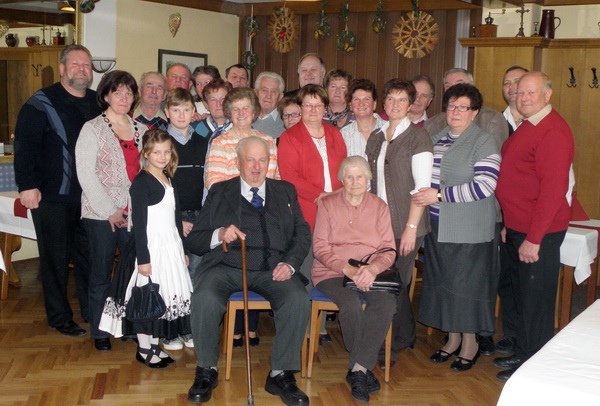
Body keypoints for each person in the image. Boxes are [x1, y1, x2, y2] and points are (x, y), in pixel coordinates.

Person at [185, 137, 311, 405]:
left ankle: (281, 373)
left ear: (269, 162)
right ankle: (207, 369)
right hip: (226, 266)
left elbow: (302, 233)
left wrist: (289, 264)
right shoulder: (220, 192)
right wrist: (219, 233)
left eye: (262, 160)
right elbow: (194, 240)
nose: (256, 166)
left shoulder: (285, 191)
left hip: (272, 268)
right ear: (238, 162)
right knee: (204, 297)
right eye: (250, 160)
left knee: (297, 299)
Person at [14, 44, 101, 337]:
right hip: (52, 197)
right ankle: (60, 317)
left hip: (90, 198)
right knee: (55, 260)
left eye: (86, 65)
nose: (81, 69)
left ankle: (93, 311)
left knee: (89, 257)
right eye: (75, 64)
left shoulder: (98, 102)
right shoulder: (40, 103)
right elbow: (24, 147)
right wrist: (27, 186)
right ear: (62, 68)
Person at [413, 84, 501, 372]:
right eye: (451, 106)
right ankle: (451, 340)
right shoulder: (436, 138)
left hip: (470, 229)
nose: (455, 112)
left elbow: (485, 186)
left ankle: (470, 345)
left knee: (466, 289)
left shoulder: (483, 141)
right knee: (444, 286)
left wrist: (439, 195)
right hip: (438, 225)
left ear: (474, 113)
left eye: (463, 107)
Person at [494, 72, 574, 382]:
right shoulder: (530, 125)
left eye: (531, 92)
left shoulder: (553, 131)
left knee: (536, 300)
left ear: (547, 95)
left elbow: (553, 190)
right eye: (520, 93)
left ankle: (533, 363)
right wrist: (508, 224)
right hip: (517, 227)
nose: (523, 97)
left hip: (539, 232)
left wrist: (534, 238)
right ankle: (523, 351)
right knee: (522, 295)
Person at [105, 129, 193, 369]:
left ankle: (154, 345)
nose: (163, 156)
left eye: (167, 152)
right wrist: (143, 260)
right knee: (147, 299)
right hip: (151, 249)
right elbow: (140, 225)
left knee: (161, 298)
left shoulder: (167, 178)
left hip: (170, 246)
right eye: (157, 152)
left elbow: (176, 219)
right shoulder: (142, 182)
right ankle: (145, 349)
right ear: (146, 153)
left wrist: (182, 249)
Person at [312, 156, 397, 403]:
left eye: (360, 176)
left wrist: (371, 269)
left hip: (370, 272)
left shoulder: (379, 206)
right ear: (342, 180)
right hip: (332, 272)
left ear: (368, 179)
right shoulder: (328, 204)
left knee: (385, 304)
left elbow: (388, 249)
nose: (355, 181)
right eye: (349, 176)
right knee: (350, 305)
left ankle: (358, 369)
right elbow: (320, 247)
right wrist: (346, 268)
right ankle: (362, 368)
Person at [76, 70, 146, 352]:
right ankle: (100, 330)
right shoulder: (91, 129)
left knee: (130, 273)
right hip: (100, 214)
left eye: (128, 93)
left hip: (134, 214)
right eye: (117, 92)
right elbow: (86, 175)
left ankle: (124, 324)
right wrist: (110, 210)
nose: (123, 97)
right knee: (101, 274)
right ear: (105, 95)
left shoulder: (141, 129)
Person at [365, 79, 433, 369]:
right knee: (392, 282)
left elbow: (422, 189)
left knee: (393, 283)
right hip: (379, 225)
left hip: (408, 223)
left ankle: (387, 345)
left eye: (401, 100)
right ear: (383, 103)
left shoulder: (419, 138)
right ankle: (405, 335)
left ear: (410, 104)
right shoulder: (377, 137)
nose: (395, 105)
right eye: (390, 99)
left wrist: (410, 228)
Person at [204, 87, 280, 347]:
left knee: (259, 262)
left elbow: (274, 179)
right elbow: (213, 183)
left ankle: (250, 326)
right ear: (229, 112)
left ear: (255, 111)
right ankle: (235, 327)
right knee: (236, 264)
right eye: (235, 109)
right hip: (230, 215)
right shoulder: (220, 142)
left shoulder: (268, 140)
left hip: (262, 213)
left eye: (245, 108)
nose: (240, 113)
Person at [162, 88, 208, 350]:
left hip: (200, 218)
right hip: (170, 218)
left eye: (186, 109)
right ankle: (170, 329)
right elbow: (158, 188)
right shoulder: (160, 143)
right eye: (175, 110)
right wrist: (176, 221)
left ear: (194, 112)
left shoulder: (203, 143)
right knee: (172, 274)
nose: (181, 114)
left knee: (195, 274)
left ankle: (189, 327)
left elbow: (208, 185)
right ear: (167, 112)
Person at [425, 68, 509, 151]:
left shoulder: (492, 119)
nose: (454, 89)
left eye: (459, 84)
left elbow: (495, 153)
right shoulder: (432, 123)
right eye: (448, 86)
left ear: (471, 87)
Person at [341, 78, 385, 158]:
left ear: (374, 104)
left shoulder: (388, 129)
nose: (361, 104)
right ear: (350, 105)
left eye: (366, 99)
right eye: (356, 99)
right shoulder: (344, 135)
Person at [253, 72, 286, 138]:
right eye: (264, 90)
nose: (268, 96)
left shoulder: (286, 122)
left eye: (274, 91)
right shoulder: (245, 118)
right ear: (256, 92)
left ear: (280, 96)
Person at [502, 66, 528, 135]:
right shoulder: (494, 121)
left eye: (517, 82)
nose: (511, 86)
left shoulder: (540, 122)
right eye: (507, 83)